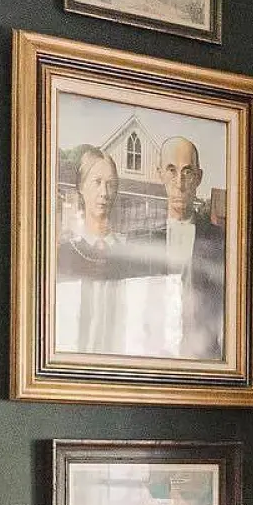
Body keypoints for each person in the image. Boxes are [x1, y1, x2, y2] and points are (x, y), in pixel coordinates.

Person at [135, 135, 227, 361]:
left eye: (187, 172)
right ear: (160, 174)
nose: (180, 182)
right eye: (171, 170)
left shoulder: (221, 242)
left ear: (198, 177)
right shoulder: (143, 241)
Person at [55, 146, 132, 355]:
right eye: (97, 183)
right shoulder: (63, 254)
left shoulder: (128, 255)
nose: (104, 193)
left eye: (110, 185)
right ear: (81, 187)